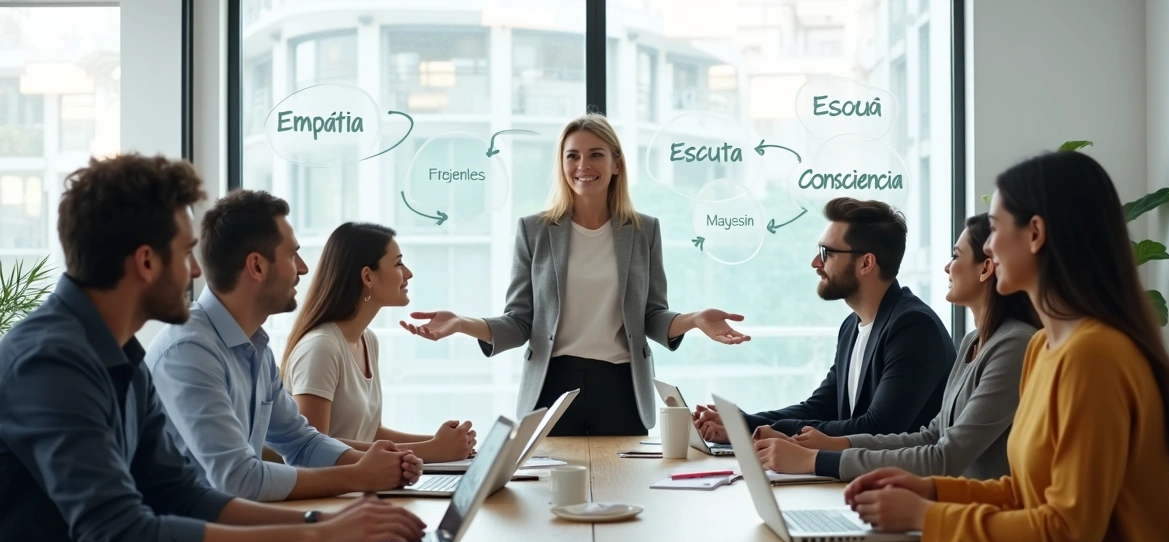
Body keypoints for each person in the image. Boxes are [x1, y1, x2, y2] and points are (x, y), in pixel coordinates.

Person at [0, 155, 425, 542]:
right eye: (186, 254)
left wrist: (323, 524)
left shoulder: (121, 356)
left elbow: (180, 493)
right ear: (145, 262)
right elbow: (127, 539)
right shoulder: (50, 362)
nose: (196, 269)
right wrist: (316, 536)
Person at [845, 151, 1169, 542]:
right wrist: (932, 489)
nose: (987, 247)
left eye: (994, 228)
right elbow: (1024, 493)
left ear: (1035, 234)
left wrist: (929, 517)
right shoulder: (1042, 348)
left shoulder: (1095, 355)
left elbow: (1066, 533)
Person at [402, 114, 749, 436]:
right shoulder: (534, 230)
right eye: (572, 156)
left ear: (616, 165)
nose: (583, 165)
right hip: (552, 385)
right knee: (546, 496)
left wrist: (696, 319)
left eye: (596, 154)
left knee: (627, 491)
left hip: (622, 387)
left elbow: (652, 317)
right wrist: (463, 323)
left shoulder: (644, 231)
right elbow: (520, 322)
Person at [146, 189, 424, 502]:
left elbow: (301, 441)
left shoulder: (256, 348)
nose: (304, 268)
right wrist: (357, 475)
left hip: (232, 528)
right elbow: (237, 479)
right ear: (257, 266)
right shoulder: (189, 350)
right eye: (293, 255)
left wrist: (384, 465)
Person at [753, 213, 1040, 481]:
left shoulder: (1014, 345)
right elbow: (930, 436)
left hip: (979, 517)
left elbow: (945, 456)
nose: (946, 266)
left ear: (986, 268)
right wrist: (835, 444)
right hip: (956, 506)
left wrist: (815, 460)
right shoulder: (972, 342)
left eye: (955, 255)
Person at [693, 197, 955, 441]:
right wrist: (744, 422)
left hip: (902, 487)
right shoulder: (852, 326)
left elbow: (877, 429)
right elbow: (823, 406)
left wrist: (760, 431)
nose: (815, 262)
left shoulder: (914, 328)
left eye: (826, 252)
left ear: (866, 264)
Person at [281, 222, 476, 462]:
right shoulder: (321, 347)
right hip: (329, 494)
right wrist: (432, 451)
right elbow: (313, 446)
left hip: (360, 487)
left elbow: (370, 433)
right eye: (398, 263)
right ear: (367, 276)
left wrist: (447, 445)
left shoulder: (367, 340)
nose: (408, 273)